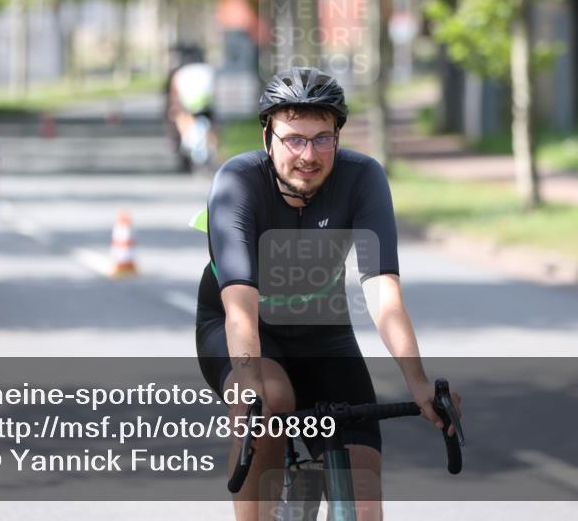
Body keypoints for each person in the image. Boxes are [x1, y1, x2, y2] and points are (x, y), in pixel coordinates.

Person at [195, 67, 460, 520]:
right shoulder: (237, 182)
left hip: (323, 334)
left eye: (322, 139)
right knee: (271, 398)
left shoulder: (362, 177)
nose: (308, 155)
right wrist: (249, 385)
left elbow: (383, 293)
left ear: (338, 136)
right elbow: (239, 307)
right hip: (242, 327)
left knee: (364, 499)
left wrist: (418, 382)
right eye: (294, 139)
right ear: (267, 137)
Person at [165, 43, 216, 171]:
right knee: (212, 129)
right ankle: (212, 150)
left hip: (188, 107)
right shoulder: (210, 70)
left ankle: (183, 147)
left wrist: (173, 108)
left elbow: (174, 96)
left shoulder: (180, 73)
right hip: (207, 107)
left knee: (179, 119)